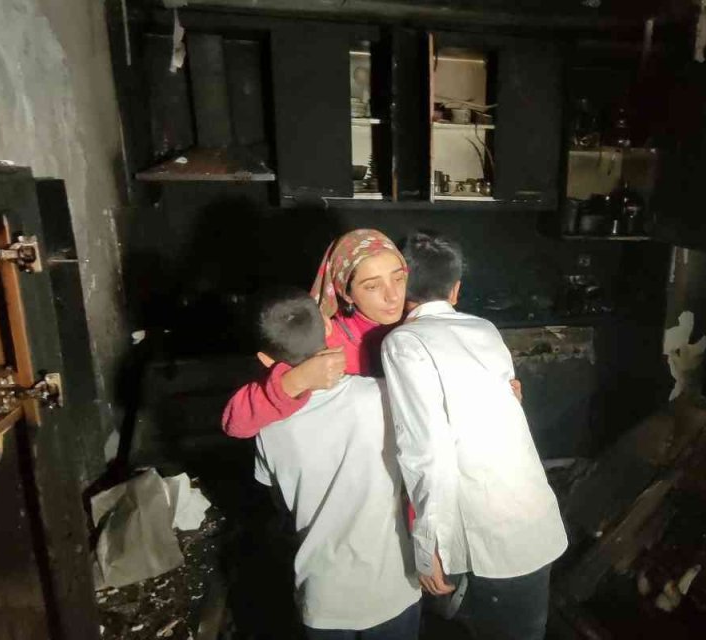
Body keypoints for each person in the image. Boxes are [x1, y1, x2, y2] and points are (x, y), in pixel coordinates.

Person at [381, 232, 567, 640]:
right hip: (534, 518)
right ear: (456, 289)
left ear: (400, 286)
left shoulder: (405, 343)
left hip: (493, 538)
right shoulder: (484, 328)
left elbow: (426, 452)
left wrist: (427, 546)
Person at [251, 289, 422, 640]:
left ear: (265, 360)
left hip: (322, 596)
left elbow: (278, 501)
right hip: (393, 587)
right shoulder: (381, 396)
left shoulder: (266, 427)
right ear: (328, 328)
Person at [223, 229, 408, 439]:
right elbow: (237, 423)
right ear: (346, 293)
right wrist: (298, 380)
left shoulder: (422, 327)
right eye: (372, 286)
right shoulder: (320, 339)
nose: (393, 296)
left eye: (399, 278)